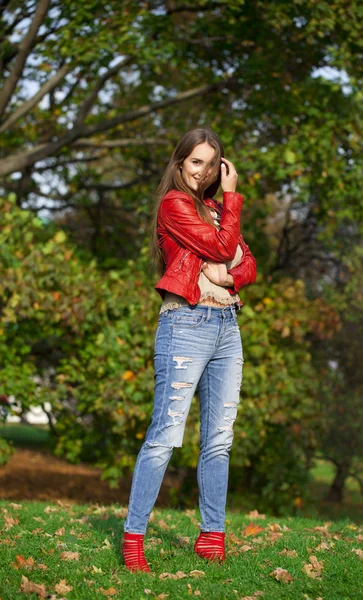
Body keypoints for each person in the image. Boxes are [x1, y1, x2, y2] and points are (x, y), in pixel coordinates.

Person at [122, 127, 257, 573]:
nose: (202, 172)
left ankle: (212, 538)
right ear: (180, 163)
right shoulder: (174, 204)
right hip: (186, 323)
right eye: (194, 162)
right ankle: (134, 540)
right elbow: (224, 246)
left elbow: (248, 263)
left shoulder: (217, 210)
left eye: (211, 163)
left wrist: (228, 277)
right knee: (165, 436)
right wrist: (233, 204)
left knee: (219, 440)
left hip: (227, 325)